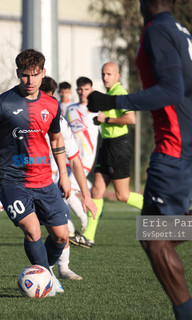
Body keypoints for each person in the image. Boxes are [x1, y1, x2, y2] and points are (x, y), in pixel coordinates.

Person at [0, 49, 95, 296]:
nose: (29, 81)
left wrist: (63, 176)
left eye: (34, 75)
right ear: (17, 73)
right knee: (32, 229)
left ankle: (46, 270)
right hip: (11, 180)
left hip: (44, 180)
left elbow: (56, 140)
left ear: (43, 73)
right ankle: (47, 279)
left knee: (62, 237)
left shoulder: (51, 104)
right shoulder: (2, 103)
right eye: (24, 76)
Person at [87, 1, 192, 318]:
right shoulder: (179, 30)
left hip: (175, 146)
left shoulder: (158, 30)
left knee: (154, 237)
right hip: (183, 140)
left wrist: (113, 100)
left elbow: (171, 91)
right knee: (152, 235)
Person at [72, 63, 144, 249]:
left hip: (119, 147)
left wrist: (107, 119)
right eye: (103, 74)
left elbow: (131, 119)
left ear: (118, 75)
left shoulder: (120, 93)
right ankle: (88, 236)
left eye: (109, 74)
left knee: (122, 195)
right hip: (106, 146)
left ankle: (160, 214)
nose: (105, 77)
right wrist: (100, 120)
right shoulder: (107, 95)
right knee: (96, 191)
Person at [65, 77, 100, 241]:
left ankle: (84, 220)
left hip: (85, 159)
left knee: (68, 192)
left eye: (86, 89)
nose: (82, 92)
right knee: (61, 192)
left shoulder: (97, 109)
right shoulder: (70, 109)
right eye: (80, 89)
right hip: (69, 158)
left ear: (91, 90)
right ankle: (70, 230)